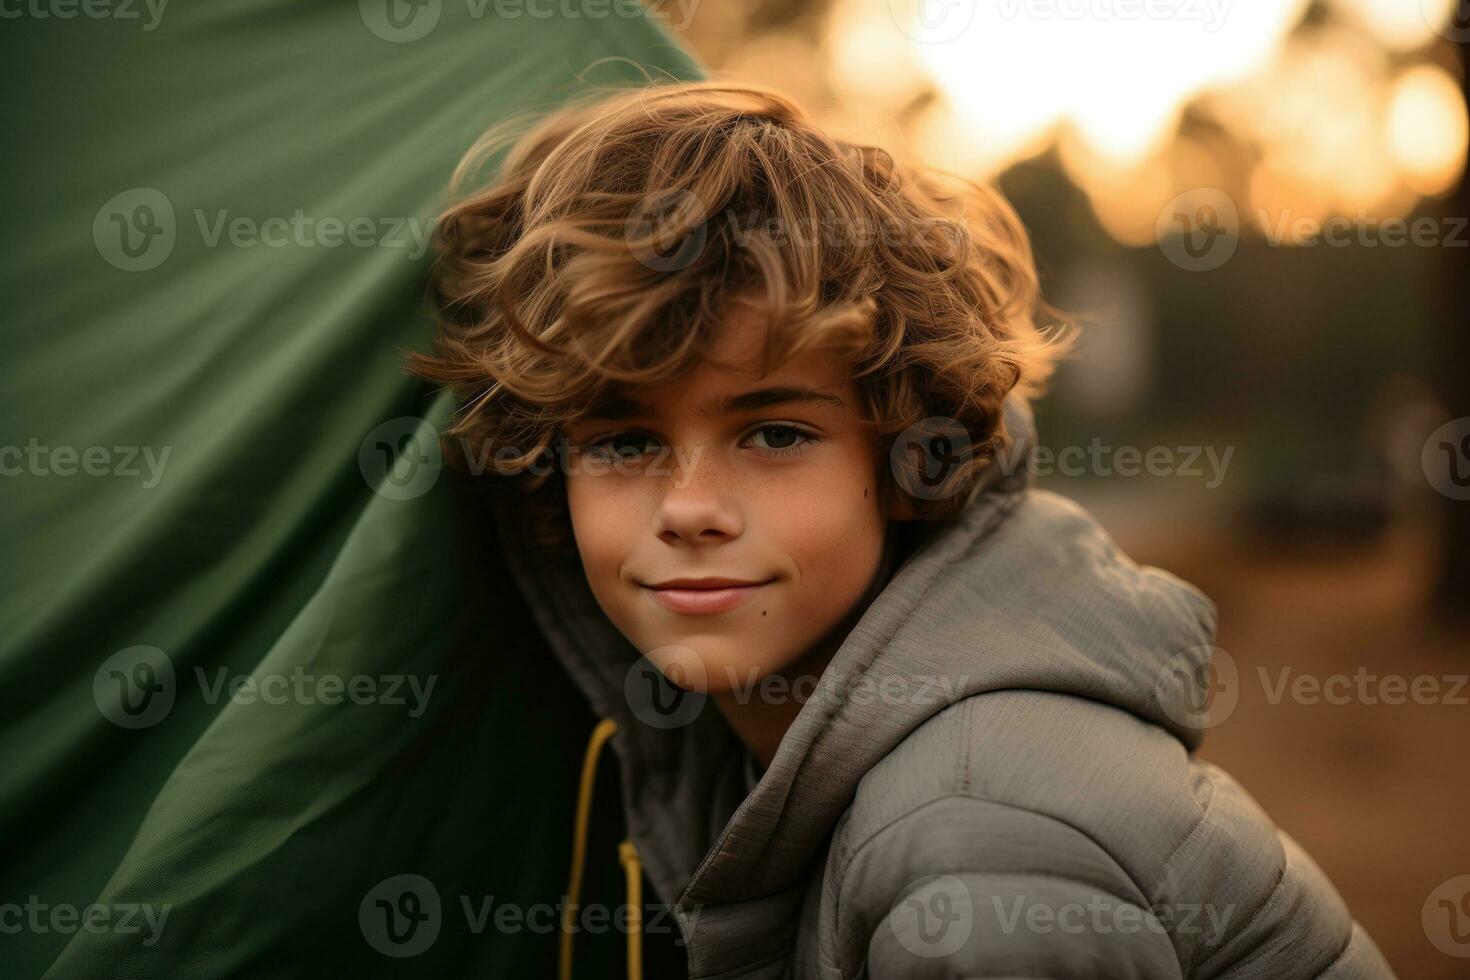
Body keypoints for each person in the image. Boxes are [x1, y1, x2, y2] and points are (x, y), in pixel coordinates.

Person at [406, 79, 1395, 979]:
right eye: (623, 443)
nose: (689, 507)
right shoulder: (779, 749)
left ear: (904, 460)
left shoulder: (975, 848)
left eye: (776, 431)